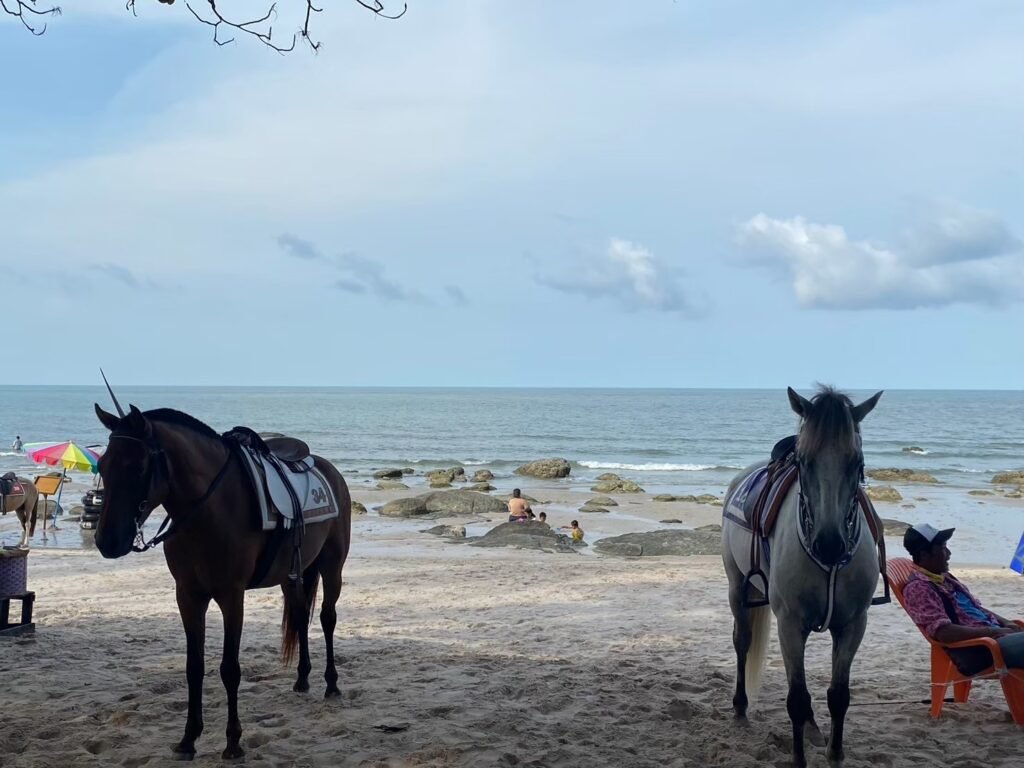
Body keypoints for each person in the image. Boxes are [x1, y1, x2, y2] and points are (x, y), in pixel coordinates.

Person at [901, 523, 1024, 674]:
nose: (949, 553)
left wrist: (1007, 623)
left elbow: (975, 608)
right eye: (942, 549)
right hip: (980, 649)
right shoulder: (919, 588)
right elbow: (944, 633)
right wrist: (993, 632)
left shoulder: (943, 578)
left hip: (997, 637)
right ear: (925, 555)